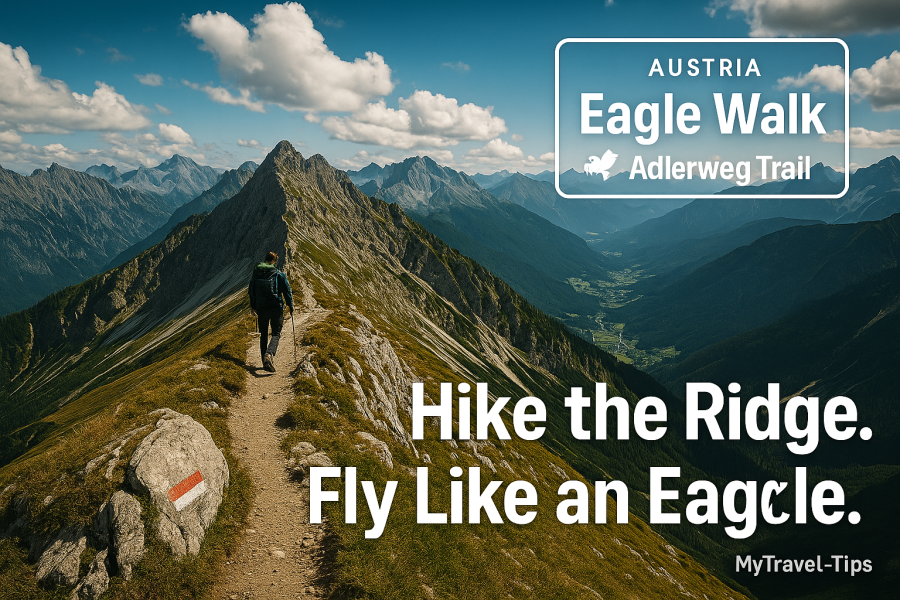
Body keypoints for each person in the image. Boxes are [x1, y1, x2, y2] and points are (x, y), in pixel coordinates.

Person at [248, 251, 294, 372]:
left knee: (263, 334)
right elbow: (287, 291)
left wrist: (253, 306)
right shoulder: (279, 274)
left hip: (261, 308)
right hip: (276, 307)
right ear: (275, 261)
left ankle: (264, 361)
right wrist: (290, 305)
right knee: (276, 334)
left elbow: (251, 291)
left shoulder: (256, 273)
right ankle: (269, 354)